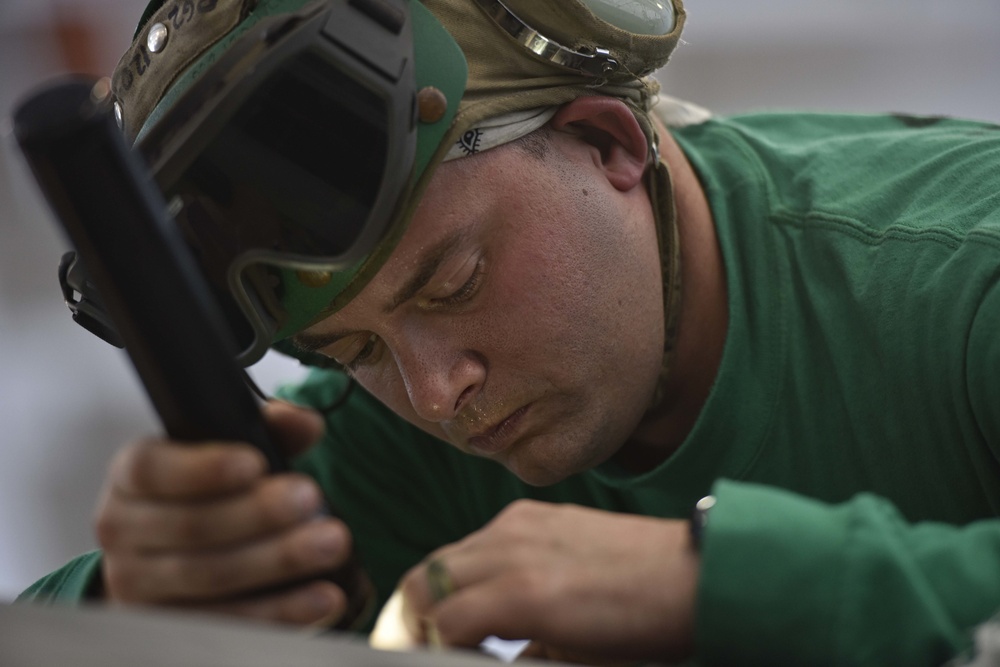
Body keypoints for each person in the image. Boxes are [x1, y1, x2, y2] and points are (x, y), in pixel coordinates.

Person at [16, 0, 1000, 664]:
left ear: (608, 139)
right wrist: (148, 600)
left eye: (453, 280)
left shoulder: (962, 277)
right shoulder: (413, 435)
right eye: (354, 352)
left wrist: (718, 580)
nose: (438, 393)